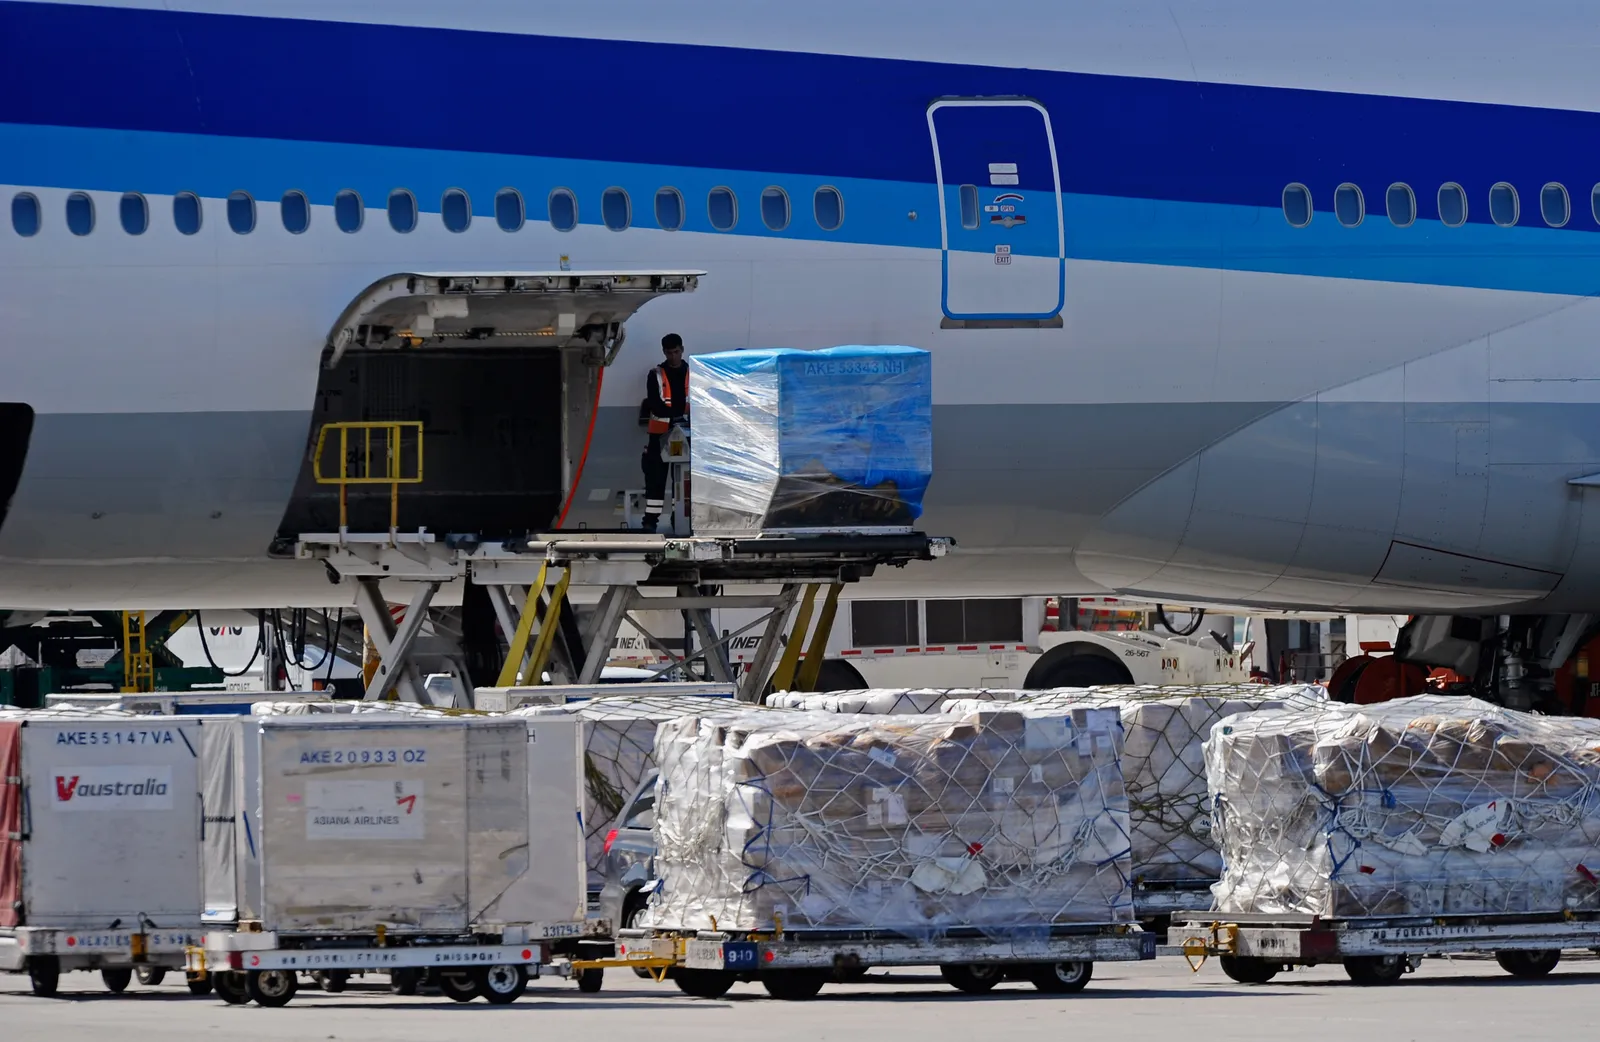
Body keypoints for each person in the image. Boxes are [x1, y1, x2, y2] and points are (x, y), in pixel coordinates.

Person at [641, 333, 689, 532]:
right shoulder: (656, 374)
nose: (673, 357)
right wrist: (675, 416)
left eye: (676, 352)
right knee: (656, 480)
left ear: (682, 350)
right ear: (664, 352)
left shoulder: (692, 373)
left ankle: (680, 519)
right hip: (660, 436)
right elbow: (655, 403)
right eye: (669, 353)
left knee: (683, 480)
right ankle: (651, 521)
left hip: (686, 433)